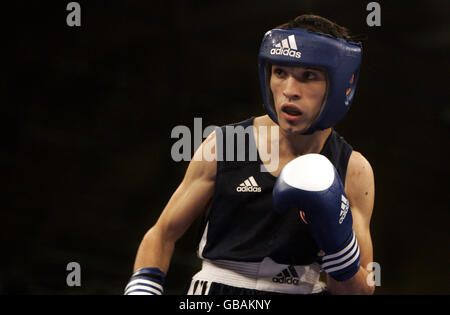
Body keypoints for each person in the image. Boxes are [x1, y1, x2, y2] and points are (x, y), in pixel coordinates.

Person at [124, 14, 375, 295]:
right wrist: (142, 290)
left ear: (342, 83)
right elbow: (161, 235)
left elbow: (358, 291)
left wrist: (340, 250)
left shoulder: (353, 169)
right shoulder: (225, 145)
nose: (289, 91)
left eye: (309, 76)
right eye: (280, 72)